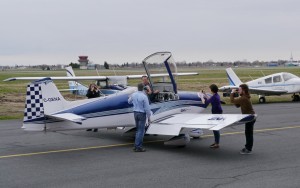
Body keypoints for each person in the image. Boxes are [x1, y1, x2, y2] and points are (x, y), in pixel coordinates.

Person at [230, 84, 256, 155]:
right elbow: (237, 105)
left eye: (240, 89)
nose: (238, 91)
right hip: (249, 117)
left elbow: (232, 101)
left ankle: (248, 149)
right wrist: (236, 96)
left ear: (243, 90)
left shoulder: (244, 98)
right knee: (247, 133)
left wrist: (232, 93)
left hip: (250, 117)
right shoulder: (243, 97)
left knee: (249, 134)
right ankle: (247, 147)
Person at [128, 83, 152, 152]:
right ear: (143, 88)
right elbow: (147, 108)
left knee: (138, 130)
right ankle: (138, 147)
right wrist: (149, 117)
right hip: (142, 114)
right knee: (141, 131)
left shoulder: (134, 94)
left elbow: (129, 101)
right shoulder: (144, 96)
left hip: (135, 113)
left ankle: (136, 145)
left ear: (137, 88)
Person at [201, 84, 223, 149]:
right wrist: (205, 94)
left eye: (210, 89)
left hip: (216, 113)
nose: (209, 90)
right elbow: (210, 99)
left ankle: (217, 143)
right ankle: (216, 142)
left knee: (215, 128)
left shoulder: (214, 97)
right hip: (218, 112)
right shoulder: (216, 95)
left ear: (212, 90)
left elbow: (205, 102)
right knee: (215, 128)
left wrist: (202, 97)